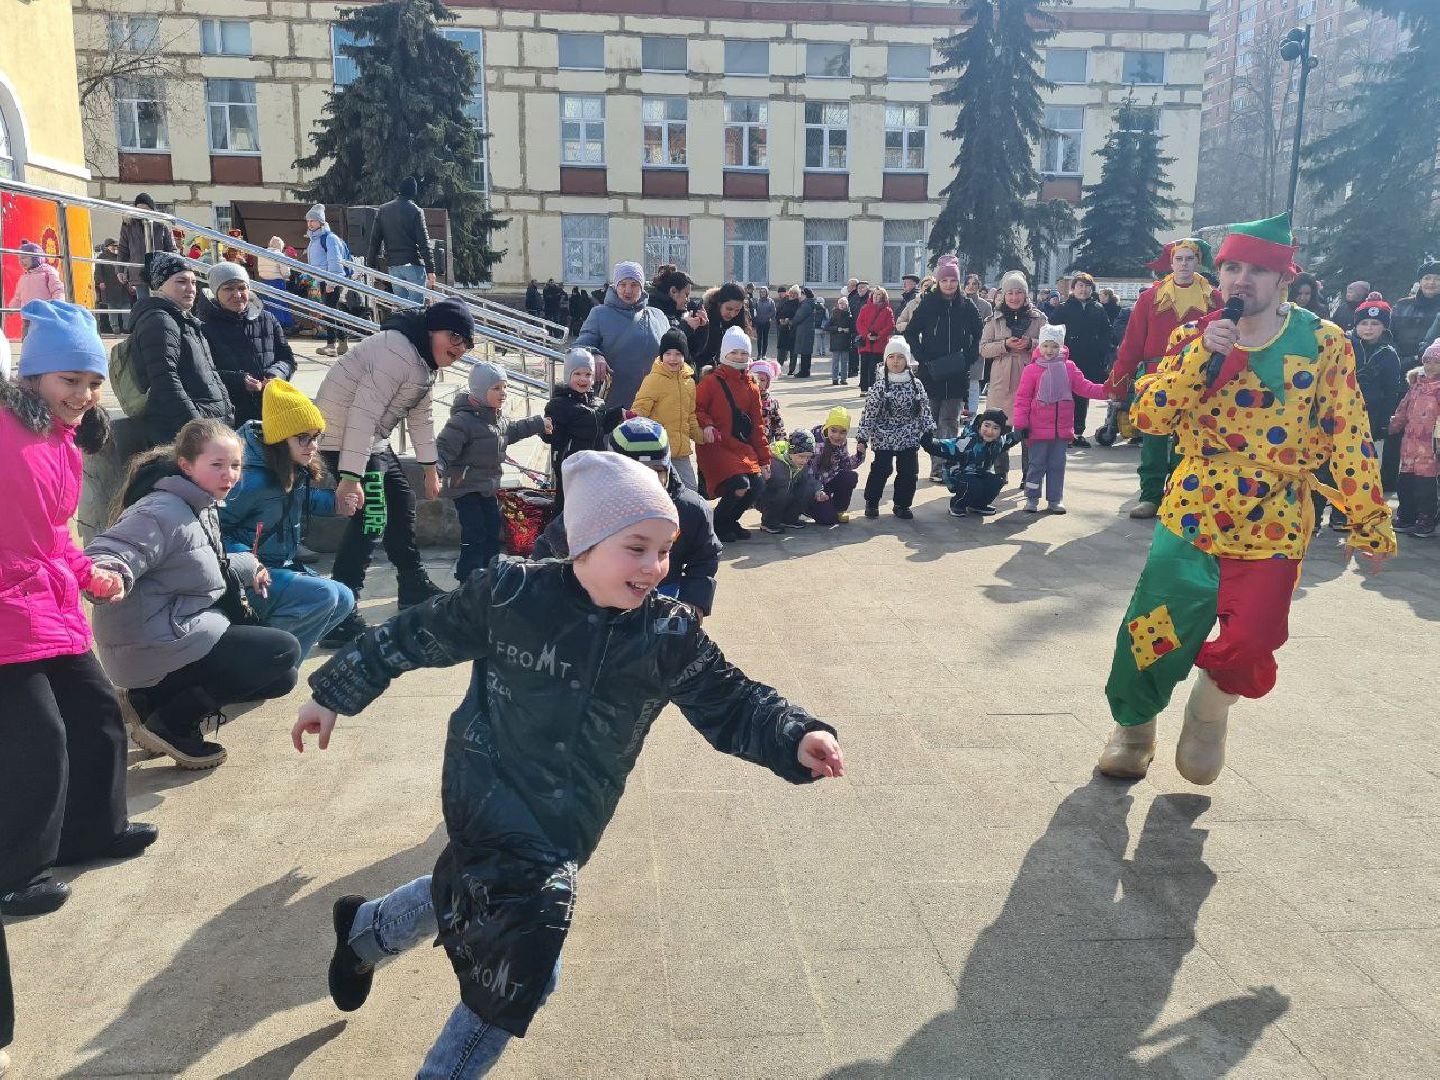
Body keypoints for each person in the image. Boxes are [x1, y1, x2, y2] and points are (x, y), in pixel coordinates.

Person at [294, 450, 842, 1076]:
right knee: (525, 970)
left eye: (664, 551)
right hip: (486, 790)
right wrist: (334, 692)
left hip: (568, 817)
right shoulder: (510, 595)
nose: (655, 568)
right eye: (637, 548)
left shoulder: (667, 635)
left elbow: (734, 701)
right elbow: (413, 633)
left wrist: (795, 734)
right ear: (585, 543)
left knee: (478, 893)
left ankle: (365, 930)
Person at [1098, 213, 1395, 786]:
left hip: (1276, 518)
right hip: (1193, 509)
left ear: (1285, 278)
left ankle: (1209, 713)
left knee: (1255, 639)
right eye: (1232, 267)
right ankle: (1135, 727)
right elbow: (1148, 415)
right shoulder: (1196, 336)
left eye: (1257, 270)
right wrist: (1198, 360)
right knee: (1153, 628)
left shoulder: (1323, 342)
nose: (1241, 280)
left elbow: (1350, 434)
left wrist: (1369, 521)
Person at [0, 301, 157, 921]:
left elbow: (54, 530)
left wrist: (88, 573)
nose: (85, 394)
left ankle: (92, 831)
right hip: (8, 610)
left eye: (93, 383)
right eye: (70, 380)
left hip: (45, 601)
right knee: (37, 739)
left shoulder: (60, 439)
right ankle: (14, 871)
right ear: (32, 377)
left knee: (97, 714)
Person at [86, 419, 304, 770]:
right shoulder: (161, 509)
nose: (229, 475)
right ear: (186, 465)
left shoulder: (198, 503)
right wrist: (108, 574)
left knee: (282, 676)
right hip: (148, 642)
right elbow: (114, 549)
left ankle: (151, 702)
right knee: (281, 650)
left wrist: (250, 566)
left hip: (172, 629)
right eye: (216, 465)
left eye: (235, 466)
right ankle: (171, 723)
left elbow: (199, 562)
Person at [314, 298, 470, 643]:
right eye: (454, 337)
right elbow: (363, 413)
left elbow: (420, 416)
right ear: (432, 330)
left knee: (401, 500)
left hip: (372, 440)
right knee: (371, 516)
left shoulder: (423, 361)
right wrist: (351, 478)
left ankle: (412, 583)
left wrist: (430, 468)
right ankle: (339, 612)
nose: (458, 348)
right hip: (343, 436)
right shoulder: (397, 353)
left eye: (465, 343)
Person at [218, 380, 358, 658]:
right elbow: (214, 529)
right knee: (324, 595)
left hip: (281, 566)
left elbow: (300, 500)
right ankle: (261, 661)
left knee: (344, 598)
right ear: (281, 438)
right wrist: (248, 563)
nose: (313, 446)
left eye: (315, 437)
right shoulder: (251, 480)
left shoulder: (291, 466)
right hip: (249, 578)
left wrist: (336, 503)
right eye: (303, 438)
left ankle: (280, 662)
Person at [532, 420, 722, 617]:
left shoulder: (691, 509)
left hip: (661, 603)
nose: (645, 483)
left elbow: (705, 556)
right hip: (602, 602)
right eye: (634, 473)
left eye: (655, 472)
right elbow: (550, 549)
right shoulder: (591, 506)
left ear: (667, 468)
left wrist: (694, 604)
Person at [1106, 238, 1222, 519]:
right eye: (1178, 259)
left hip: (1198, 376)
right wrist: (1118, 384)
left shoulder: (1214, 298)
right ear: (1170, 263)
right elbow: (1132, 344)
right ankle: (1150, 496)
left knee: (1190, 437)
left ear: (1198, 263)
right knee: (1154, 437)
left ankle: (1181, 495)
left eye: (1189, 259)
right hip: (1156, 375)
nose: (1184, 264)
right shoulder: (1150, 298)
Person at [437, 361, 551, 583]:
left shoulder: (497, 418)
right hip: (466, 488)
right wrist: (437, 469)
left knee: (492, 530)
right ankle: (468, 576)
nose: (503, 393)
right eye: (496, 388)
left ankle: (490, 573)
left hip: (487, 487)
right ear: (480, 391)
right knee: (474, 533)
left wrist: (538, 423)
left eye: (505, 387)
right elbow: (444, 448)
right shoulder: (462, 421)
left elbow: (515, 430)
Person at [127, 252, 234, 446]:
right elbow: (165, 381)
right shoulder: (159, 321)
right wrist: (197, 429)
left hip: (206, 429)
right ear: (160, 285)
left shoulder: (184, 320)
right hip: (185, 436)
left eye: (193, 282)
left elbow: (208, 373)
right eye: (181, 282)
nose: (191, 289)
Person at [1322, 295, 1403, 523]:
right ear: (1356, 325)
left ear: (1384, 327)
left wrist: (1384, 421)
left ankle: (1343, 513)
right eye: (1364, 323)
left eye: (1375, 324)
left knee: (1356, 468)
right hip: (1338, 414)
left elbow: (1391, 391)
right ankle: (1321, 510)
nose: (1369, 328)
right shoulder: (1344, 346)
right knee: (1329, 465)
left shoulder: (1389, 354)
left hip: (1370, 418)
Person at [1011, 325, 1108, 514]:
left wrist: (1107, 391)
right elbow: (1022, 398)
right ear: (1040, 346)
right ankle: (1032, 497)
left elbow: (1085, 387)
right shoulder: (1032, 370)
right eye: (1046, 346)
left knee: (1057, 465)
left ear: (1061, 347)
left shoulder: (1069, 367)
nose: (1049, 351)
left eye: (1054, 346)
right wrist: (1020, 423)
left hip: (1061, 429)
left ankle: (1055, 499)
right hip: (1037, 428)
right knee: (1036, 465)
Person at [905, 255, 983, 481]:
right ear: (938, 281)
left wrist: (969, 357)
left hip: (957, 373)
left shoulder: (966, 305)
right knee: (931, 420)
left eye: (953, 280)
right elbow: (910, 332)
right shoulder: (928, 304)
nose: (949, 285)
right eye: (945, 280)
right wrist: (922, 358)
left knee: (950, 421)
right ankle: (935, 463)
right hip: (931, 373)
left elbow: (979, 333)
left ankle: (943, 468)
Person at [696, 326, 771, 542]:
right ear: (724, 354)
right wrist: (708, 424)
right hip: (716, 445)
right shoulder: (711, 381)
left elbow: (757, 425)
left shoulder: (752, 386)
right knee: (739, 484)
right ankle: (718, 523)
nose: (739, 357)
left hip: (740, 445)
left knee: (757, 485)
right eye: (734, 352)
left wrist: (764, 459)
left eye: (744, 353)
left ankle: (730, 520)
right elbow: (697, 408)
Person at [199, 262, 296, 427]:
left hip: (271, 407)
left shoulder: (268, 319)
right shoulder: (203, 326)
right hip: (230, 414)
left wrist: (275, 375)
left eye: (242, 288)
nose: (237, 294)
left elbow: (287, 359)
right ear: (216, 292)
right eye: (228, 289)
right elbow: (202, 373)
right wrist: (238, 381)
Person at [572, 261, 671, 411]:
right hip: (614, 404)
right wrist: (594, 354)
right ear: (615, 286)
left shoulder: (657, 316)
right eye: (622, 284)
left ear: (642, 287)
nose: (628, 290)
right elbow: (579, 346)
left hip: (653, 405)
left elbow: (674, 348)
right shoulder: (600, 314)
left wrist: (693, 329)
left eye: (634, 285)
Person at [856, 336, 936, 521]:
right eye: (891, 357)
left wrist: (928, 429)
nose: (895, 361)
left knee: (909, 471)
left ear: (907, 361)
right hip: (884, 434)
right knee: (882, 469)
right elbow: (869, 413)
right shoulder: (879, 385)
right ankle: (872, 501)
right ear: (885, 360)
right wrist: (862, 438)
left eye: (900, 357)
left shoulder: (916, 385)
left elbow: (924, 409)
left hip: (909, 434)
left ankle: (902, 504)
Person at [979, 271, 1047, 480]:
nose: (1014, 297)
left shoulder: (1039, 318)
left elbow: (1051, 346)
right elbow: (983, 349)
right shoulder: (995, 318)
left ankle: (1029, 475)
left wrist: (1030, 344)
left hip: (1031, 380)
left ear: (1025, 295)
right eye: (1010, 293)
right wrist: (1005, 345)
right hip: (1002, 380)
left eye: (1019, 292)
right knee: (1000, 427)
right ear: (1003, 295)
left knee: (1029, 431)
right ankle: (1000, 473)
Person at [543, 348, 626, 512]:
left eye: (588, 375)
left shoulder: (596, 402)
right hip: (572, 469)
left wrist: (617, 415)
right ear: (568, 376)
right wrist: (546, 429)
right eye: (577, 374)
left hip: (595, 467)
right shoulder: (559, 405)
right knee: (568, 510)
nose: (583, 379)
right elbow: (552, 437)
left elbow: (600, 427)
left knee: (593, 509)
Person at [631, 328, 705, 490]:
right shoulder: (653, 380)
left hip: (681, 452)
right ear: (661, 356)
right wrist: (632, 421)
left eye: (678, 354)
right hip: (658, 451)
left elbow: (690, 415)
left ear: (684, 356)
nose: (673, 358)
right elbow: (640, 411)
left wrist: (701, 437)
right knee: (661, 493)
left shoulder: (689, 382)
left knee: (691, 491)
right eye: (668, 353)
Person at [1045, 270, 1113, 447]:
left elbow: (1107, 331)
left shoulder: (1098, 308)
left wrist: (1102, 349)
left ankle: (1078, 431)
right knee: (1065, 396)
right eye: (1080, 286)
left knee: (1083, 395)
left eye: (1087, 286)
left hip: (1090, 359)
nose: (1083, 290)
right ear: (1073, 288)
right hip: (1067, 358)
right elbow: (1052, 331)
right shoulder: (1064, 308)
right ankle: (1063, 432)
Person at [932, 408, 1026, 518]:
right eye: (987, 425)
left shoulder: (998, 441)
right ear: (980, 425)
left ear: (1001, 431)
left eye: (995, 428)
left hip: (979, 474)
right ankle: (957, 504)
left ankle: (978, 505)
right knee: (973, 485)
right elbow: (943, 445)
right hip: (958, 475)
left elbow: (1011, 438)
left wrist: (1025, 431)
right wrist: (928, 441)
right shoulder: (968, 440)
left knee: (997, 482)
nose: (990, 431)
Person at [1388, 342, 1440, 537]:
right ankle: (1406, 515)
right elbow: (1404, 407)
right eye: (1427, 361)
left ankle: (1426, 518)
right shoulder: (1416, 384)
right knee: (1405, 482)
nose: (1430, 366)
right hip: (1410, 443)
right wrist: (1394, 424)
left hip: (1431, 444)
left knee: (1426, 484)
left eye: (1436, 362)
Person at [367, 176, 436, 304]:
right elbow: (424, 243)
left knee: (401, 306)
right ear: (413, 192)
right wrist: (431, 270)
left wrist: (370, 266)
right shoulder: (416, 211)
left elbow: (374, 241)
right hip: (413, 264)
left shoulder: (383, 210)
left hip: (394, 265)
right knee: (416, 307)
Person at [116, 193, 177, 309]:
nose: (142, 213)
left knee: (162, 304)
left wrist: (172, 269)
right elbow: (123, 249)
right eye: (139, 209)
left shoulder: (161, 225)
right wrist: (120, 270)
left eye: (145, 209)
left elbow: (171, 248)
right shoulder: (128, 225)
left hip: (159, 270)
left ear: (152, 209)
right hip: (139, 270)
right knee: (144, 305)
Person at [304, 203, 350, 357]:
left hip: (332, 280)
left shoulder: (329, 238)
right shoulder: (315, 239)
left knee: (329, 312)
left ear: (321, 222)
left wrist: (332, 282)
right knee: (332, 311)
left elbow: (334, 262)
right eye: (308, 221)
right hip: (324, 280)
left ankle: (331, 345)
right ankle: (342, 343)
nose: (310, 223)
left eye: (313, 220)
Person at [806, 407, 864, 525]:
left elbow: (845, 464)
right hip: (811, 487)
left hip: (828, 481)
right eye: (834, 430)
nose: (837, 436)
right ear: (827, 427)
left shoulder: (842, 441)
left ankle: (839, 509)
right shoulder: (814, 443)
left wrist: (860, 454)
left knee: (850, 476)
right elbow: (807, 474)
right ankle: (805, 507)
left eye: (843, 432)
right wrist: (817, 492)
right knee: (828, 519)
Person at [757, 427, 821, 532]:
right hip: (766, 497)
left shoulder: (801, 465)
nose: (804, 460)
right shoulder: (775, 462)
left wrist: (819, 490)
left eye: (808, 457)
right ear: (791, 451)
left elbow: (808, 480)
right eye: (801, 456)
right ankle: (769, 522)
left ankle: (789, 518)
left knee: (806, 488)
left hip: (784, 496)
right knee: (781, 489)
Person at [693, 282, 753, 371]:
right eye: (729, 309)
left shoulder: (741, 318)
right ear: (719, 303)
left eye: (737, 310)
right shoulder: (702, 315)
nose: (732, 314)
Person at [7, 242, 64, 331]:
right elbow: (17, 298)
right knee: (27, 339)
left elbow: (57, 290)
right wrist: (10, 309)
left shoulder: (47, 273)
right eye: (19, 259)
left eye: (24, 258)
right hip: (28, 317)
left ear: (36, 257)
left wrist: (57, 305)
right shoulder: (23, 278)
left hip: (45, 315)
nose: (21, 261)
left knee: (44, 338)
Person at [1395, 257, 1440, 362]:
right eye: (1427, 278)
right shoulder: (1402, 305)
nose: (1431, 283)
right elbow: (1389, 334)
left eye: (1438, 279)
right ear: (1420, 281)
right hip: (1401, 365)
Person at [855, 287, 896, 393]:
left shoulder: (887, 310)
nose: (876, 296)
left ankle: (874, 389)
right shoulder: (865, 308)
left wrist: (879, 335)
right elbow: (859, 323)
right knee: (864, 366)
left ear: (883, 296)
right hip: (866, 343)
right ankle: (863, 388)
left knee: (876, 367)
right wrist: (866, 334)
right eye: (874, 294)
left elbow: (890, 325)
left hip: (879, 343)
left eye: (878, 295)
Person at [94, 238, 132, 334]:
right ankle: (115, 329)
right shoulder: (102, 257)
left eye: (116, 246)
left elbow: (128, 268)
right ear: (107, 247)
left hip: (123, 286)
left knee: (126, 308)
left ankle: (126, 328)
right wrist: (100, 282)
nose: (115, 248)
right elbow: (98, 272)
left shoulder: (121, 256)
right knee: (112, 309)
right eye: (113, 246)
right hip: (109, 287)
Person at [749, 358, 784, 443]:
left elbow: (778, 424)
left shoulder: (771, 402)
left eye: (762, 380)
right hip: (749, 442)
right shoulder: (746, 399)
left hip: (766, 442)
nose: (759, 383)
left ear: (768, 382)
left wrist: (782, 441)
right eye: (755, 380)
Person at [788, 287, 820, 378]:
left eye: (801, 294)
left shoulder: (806, 305)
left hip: (804, 331)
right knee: (806, 352)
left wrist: (791, 322)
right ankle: (806, 370)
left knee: (804, 352)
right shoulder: (810, 303)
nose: (799, 296)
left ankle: (803, 372)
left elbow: (798, 317)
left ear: (805, 295)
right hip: (807, 331)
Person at [827, 296, 853, 385]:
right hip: (835, 341)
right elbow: (827, 327)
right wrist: (837, 329)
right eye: (840, 303)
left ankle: (844, 379)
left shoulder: (850, 315)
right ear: (838, 305)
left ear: (847, 305)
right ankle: (834, 378)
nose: (842, 305)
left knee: (845, 362)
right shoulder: (834, 314)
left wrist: (848, 330)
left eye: (844, 303)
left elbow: (853, 328)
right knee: (835, 362)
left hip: (846, 341)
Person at [775, 286, 800, 373]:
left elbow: (798, 317)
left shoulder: (798, 304)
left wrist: (789, 320)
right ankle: (778, 368)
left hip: (793, 330)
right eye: (791, 293)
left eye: (795, 294)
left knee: (793, 351)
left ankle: (791, 370)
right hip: (783, 329)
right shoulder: (785, 302)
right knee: (781, 350)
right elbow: (779, 313)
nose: (792, 295)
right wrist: (780, 319)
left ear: (797, 295)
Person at [752, 286, 776, 358]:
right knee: (759, 339)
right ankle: (759, 354)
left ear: (767, 293)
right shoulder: (757, 301)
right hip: (759, 323)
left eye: (764, 292)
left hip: (766, 322)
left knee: (765, 338)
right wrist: (755, 319)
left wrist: (768, 317)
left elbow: (773, 311)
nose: (763, 293)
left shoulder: (771, 301)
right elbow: (754, 311)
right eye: (761, 292)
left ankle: (764, 354)